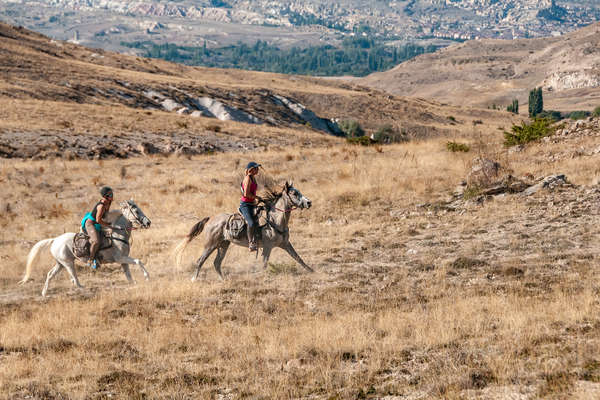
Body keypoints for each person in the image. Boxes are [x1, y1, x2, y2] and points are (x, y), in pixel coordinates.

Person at [80, 186, 113, 269]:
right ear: (105, 196)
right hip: (91, 223)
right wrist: (108, 225)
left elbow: (105, 216)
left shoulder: (108, 202)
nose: (112, 195)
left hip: (98, 223)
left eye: (111, 193)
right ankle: (90, 260)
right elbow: (98, 220)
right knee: (96, 241)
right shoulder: (101, 206)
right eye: (110, 194)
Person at [240, 162, 261, 251]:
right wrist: (256, 197)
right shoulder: (248, 179)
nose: (258, 170)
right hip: (246, 205)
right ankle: (251, 243)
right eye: (256, 168)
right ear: (251, 170)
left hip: (252, 204)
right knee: (251, 223)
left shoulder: (253, 178)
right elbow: (246, 194)